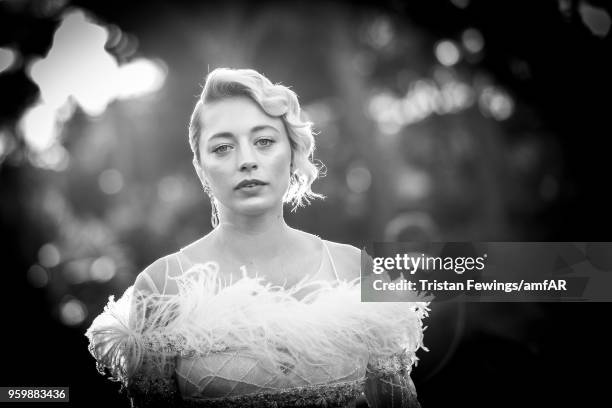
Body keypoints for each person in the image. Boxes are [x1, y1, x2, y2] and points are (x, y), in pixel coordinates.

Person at [86, 68, 429, 408]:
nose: (247, 161)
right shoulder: (162, 286)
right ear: (200, 168)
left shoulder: (355, 269)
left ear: (293, 153)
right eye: (222, 148)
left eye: (264, 141)